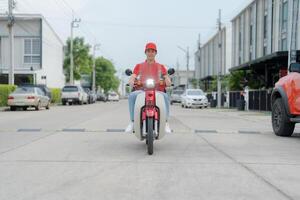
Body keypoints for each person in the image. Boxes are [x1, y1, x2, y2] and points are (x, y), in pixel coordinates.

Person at [126, 42, 172, 133]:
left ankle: (166, 122)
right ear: (145, 52)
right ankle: (132, 121)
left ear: (155, 53)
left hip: (158, 90)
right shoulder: (139, 66)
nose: (150, 53)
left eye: (152, 51)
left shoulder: (161, 66)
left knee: (166, 97)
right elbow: (133, 76)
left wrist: (167, 80)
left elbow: (167, 78)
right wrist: (131, 81)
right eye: (148, 51)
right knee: (131, 96)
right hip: (142, 90)